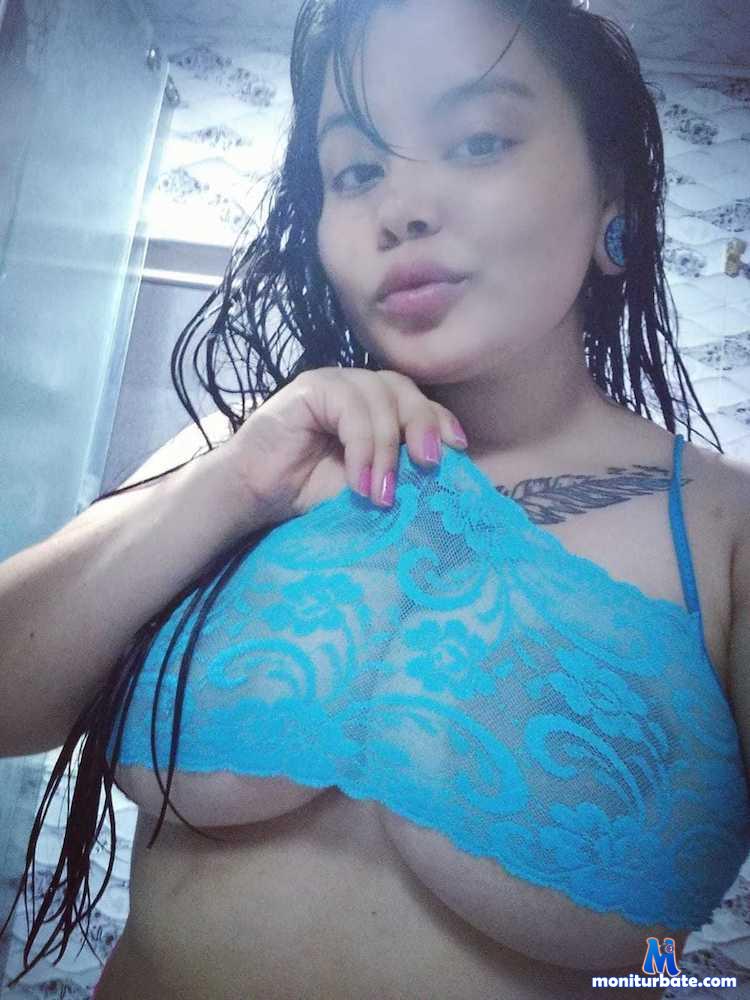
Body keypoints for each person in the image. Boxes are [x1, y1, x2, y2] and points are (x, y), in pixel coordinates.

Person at [1, 0, 749, 997]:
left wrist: (666, 978)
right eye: (356, 171)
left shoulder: (725, 529)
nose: (400, 208)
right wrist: (235, 480)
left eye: (478, 140)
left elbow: (662, 964)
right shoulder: (245, 448)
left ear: (613, 190)